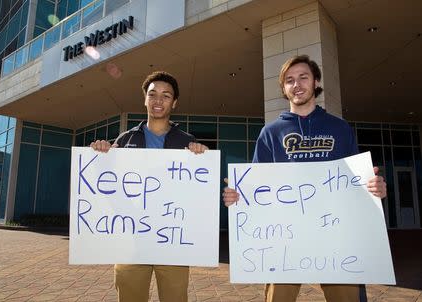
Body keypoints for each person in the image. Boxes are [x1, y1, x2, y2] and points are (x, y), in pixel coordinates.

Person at [223, 55, 386, 302]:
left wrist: (373, 188)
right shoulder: (271, 132)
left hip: (335, 234)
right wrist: (237, 195)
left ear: (316, 81)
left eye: (303, 77)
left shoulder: (339, 128)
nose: (296, 85)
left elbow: (356, 180)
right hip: (285, 236)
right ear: (284, 88)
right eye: (289, 80)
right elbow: (256, 186)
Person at [91, 71, 208, 302]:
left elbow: (196, 192)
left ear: (174, 103)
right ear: (144, 99)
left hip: (172, 242)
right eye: (152, 94)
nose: (158, 100)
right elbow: (104, 184)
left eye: (166, 96)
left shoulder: (186, 141)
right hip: (131, 241)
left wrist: (201, 158)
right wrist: (100, 156)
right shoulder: (124, 140)